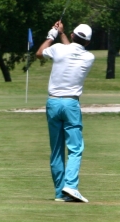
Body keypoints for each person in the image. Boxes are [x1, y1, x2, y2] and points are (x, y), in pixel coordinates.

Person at [36, 21, 95, 203]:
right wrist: (61, 34)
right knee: (75, 148)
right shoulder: (89, 57)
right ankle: (70, 185)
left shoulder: (59, 49)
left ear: (72, 35)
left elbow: (39, 53)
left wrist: (52, 35)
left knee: (56, 150)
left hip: (53, 103)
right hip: (71, 104)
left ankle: (60, 193)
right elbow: (74, 49)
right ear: (88, 42)